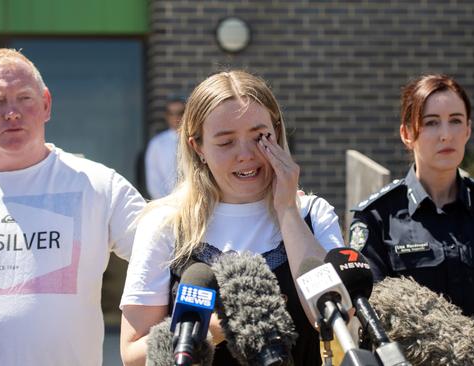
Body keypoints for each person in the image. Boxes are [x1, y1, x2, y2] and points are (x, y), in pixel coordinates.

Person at [0, 48, 146, 366]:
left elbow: (163, 257)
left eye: (24, 98)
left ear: (46, 104)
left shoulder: (98, 186)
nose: (13, 112)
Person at [120, 70, 345, 365]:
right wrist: (220, 326)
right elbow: (132, 355)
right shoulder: (166, 224)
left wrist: (287, 210)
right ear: (197, 147)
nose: (246, 154)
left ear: (277, 132)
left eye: (260, 136)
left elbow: (336, 322)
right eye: (226, 142)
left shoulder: (313, 214)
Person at [349, 74, 474, 347]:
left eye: (456, 120)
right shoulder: (376, 217)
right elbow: (371, 316)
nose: (446, 134)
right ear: (407, 134)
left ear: (468, 130)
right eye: (431, 122)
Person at [145, 96, 186, 199]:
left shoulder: (196, 140)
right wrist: (166, 203)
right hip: (165, 203)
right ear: (166, 116)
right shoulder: (157, 143)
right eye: (171, 113)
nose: (176, 117)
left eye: (180, 112)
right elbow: (153, 180)